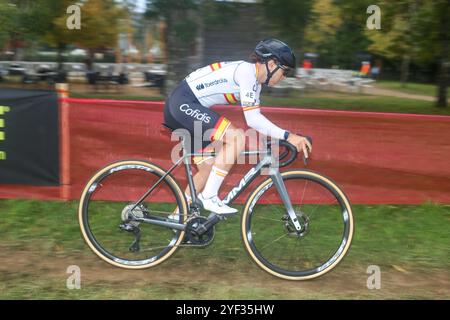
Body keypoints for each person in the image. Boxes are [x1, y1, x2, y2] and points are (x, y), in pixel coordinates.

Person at [164, 39, 312, 215]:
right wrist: (289, 136)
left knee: (208, 168)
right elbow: (253, 120)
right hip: (183, 104)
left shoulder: (254, 82)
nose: (285, 77)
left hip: (184, 105)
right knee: (237, 137)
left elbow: (255, 118)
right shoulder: (247, 72)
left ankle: (176, 218)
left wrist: (285, 135)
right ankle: (209, 197)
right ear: (272, 64)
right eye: (285, 71)